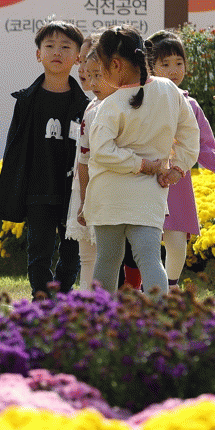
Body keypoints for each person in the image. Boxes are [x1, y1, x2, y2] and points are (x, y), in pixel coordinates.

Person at [83, 25, 200, 296]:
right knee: (150, 258)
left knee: (107, 259)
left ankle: (100, 315)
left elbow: (101, 151)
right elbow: (190, 133)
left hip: (109, 197)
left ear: (115, 65)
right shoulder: (169, 91)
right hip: (149, 195)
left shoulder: (111, 104)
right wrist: (177, 168)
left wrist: (139, 165)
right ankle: (158, 316)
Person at [0, 20, 89, 300]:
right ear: (38, 54)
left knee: (71, 253)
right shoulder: (26, 101)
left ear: (78, 57)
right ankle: (41, 300)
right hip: (38, 189)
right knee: (38, 252)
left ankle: (63, 296)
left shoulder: (86, 105)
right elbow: (16, 149)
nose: (57, 52)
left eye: (66, 47)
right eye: (50, 46)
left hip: (73, 191)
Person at [142, 30, 215, 288]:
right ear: (151, 67)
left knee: (176, 243)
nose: (173, 70)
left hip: (177, 181)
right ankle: (146, 289)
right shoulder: (140, 99)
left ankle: (170, 287)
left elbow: (204, 145)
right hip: (144, 179)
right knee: (144, 241)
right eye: (165, 64)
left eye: (179, 63)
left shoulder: (190, 105)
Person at [69, 38, 117, 290]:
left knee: (109, 257)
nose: (93, 82)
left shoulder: (123, 106)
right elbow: (83, 159)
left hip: (112, 192)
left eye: (98, 74)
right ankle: (89, 305)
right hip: (89, 190)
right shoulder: (91, 108)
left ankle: (105, 305)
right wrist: (84, 199)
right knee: (87, 256)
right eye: (89, 75)